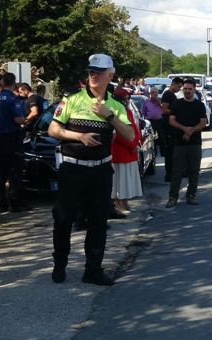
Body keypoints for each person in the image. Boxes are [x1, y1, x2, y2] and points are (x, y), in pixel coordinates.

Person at [48, 53, 134, 286]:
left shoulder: (115, 105)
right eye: (90, 72)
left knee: (98, 221)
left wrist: (109, 117)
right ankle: (60, 265)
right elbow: (53, 130)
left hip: (100, 170)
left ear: (110, 74)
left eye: (98, 72)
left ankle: (93, 270)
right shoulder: (73, 99)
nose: (93, 76)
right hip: (73, 169)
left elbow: (129, 136)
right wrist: (79, 136)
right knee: (64, 219)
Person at [0, 72, 30, 212]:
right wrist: (24, 120)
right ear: (13, 82)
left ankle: (1, 203)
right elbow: (19, 120)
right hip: (12, 137)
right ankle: (14, 203)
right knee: (15, 171)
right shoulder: (14, 99)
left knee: (0, 172)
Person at [166, 79, 207, 208]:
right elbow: (171, 121)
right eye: (185, 89)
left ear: (194, 90)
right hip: (179, 143)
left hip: (195, 143)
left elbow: (203, 122)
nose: (187, 91)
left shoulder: (199, 105)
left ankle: (191, 195)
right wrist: (184, 129)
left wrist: (191, 131)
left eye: (190, 89)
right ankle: (173, 197)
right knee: (176, 172)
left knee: (194, 171)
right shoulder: (177, 104)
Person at [111, 88, 142, 214]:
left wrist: (136, 142)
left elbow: (134, 127)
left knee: (127, 178)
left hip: (130, 149)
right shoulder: (115, 111)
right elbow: (118, 133)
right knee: (120, 179)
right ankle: (118, 202)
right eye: (125, 98)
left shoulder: (127, 110)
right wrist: (131, 144)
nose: (127, 100)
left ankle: (124, 201)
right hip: (120, 150)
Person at [160, 77, 183, 182]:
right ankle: (169, 174)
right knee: (169, 152)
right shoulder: (167, 94)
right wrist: (176, 112)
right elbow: (164, 109)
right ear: (174, 84)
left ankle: (173, 172)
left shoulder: (172, 95)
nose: (179, 88)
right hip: (168, 127)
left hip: (172, 127)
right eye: (179, 86)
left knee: (174, 151)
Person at [141, 87, 163, 153]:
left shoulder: (160, 100)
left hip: (159, 121)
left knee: (161, 136)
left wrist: (157, 100)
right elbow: (143, 111)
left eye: (155, 92)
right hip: (150, 121)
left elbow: (162, 107)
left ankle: (162, 151)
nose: (154, 94)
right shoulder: (147, 102)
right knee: (151, 137)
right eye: (152, 92)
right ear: (150, 93)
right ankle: (154, 151)